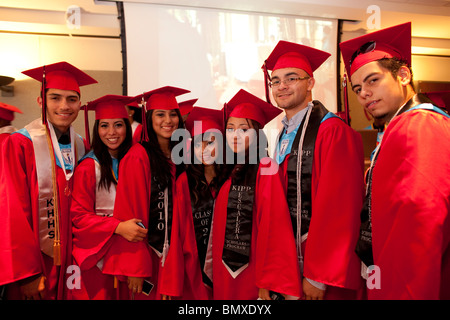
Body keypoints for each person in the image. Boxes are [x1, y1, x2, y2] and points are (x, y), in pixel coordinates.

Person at [340, 22, 450, 300]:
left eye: (372, 80)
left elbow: (420, 222)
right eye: (356, 88)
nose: (363, 93)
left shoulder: (419, 124)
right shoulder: (398, 128)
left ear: (403, 75)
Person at [262, 40, 365, 299]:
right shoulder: (281, 132)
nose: (282, 86)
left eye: (291, 78)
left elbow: (340, 208)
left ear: (310, 83)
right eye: (275, 81)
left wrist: (318, 276)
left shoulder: (333, 131)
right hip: (287, 262)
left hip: (319, 269)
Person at [0, 61, 97, 300]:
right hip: (36, 264)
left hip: (73, 261)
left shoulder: (81, 145)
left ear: (79, 104)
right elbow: (12, 211)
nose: (64, 106)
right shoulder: (20, 144)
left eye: (71, 99)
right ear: (41, 101)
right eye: (55, 98)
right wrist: (26, 273)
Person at [211, 89, 302, 300]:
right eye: (230, 128)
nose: (235, 135)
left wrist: (267, 281)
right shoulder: (228, 170)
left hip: (252, 274)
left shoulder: (266, 168)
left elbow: (273, 228)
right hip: (224, 272)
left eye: (244, 129)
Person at [102, 86, 190, 300]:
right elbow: (130, 213)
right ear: (149, 118)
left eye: (173, 114)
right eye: (160, 114)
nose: (168, 120)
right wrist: (136, 268)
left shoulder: (181, 155)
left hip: (177, 257)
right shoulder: (138, 156)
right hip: (151, 257)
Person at [70, 94, 146, 300]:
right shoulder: (89, 166)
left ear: (127, 126)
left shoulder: (136, 159)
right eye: (104, 126)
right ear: (97, 129)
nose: (111, 132)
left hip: (131, 254)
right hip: (99, 256)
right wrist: (117, 227)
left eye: (118, 125)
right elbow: (78, 215)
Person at [174, 106, 227, 299]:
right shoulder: (184, 183)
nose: (204, 150)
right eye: (198, 144)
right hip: (194, 271)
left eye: (210, 143)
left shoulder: (231, 181)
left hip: (228, 270)